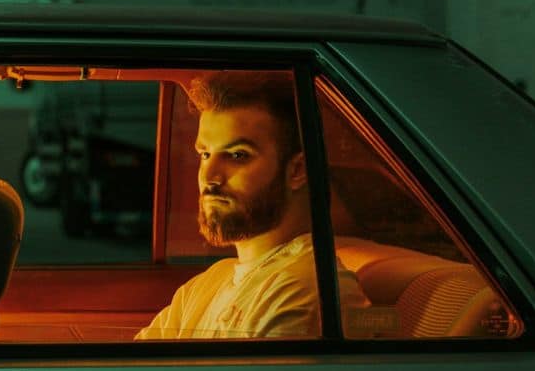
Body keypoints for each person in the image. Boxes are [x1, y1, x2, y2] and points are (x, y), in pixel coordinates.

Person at [136, 71, 368, 340]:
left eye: (237, 155)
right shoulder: (210, 282)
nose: (209, 177)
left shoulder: (304, 291)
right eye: (205, 154)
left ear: (297, 170)